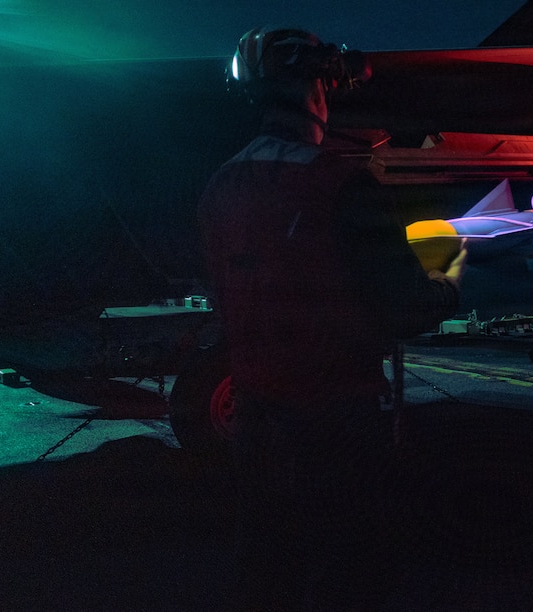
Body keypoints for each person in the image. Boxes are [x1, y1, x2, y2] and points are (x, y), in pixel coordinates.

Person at [196, 27, 466, 610]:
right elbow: (402, 308)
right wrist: (447, 279)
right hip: (336, 425)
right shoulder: (340, 184)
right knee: (349, 573)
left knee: (268, 572)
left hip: (258, 425)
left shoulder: (220, 187)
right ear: (315, 89)